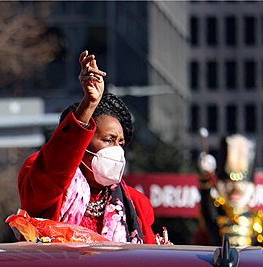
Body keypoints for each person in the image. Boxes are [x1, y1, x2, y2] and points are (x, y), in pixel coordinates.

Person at [18, 50, 158, 244]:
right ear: (81, 143)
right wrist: (89, 104)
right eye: (109, 140)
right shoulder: (45, 182)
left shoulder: (135, 204)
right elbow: (54, 168)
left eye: (121, 143)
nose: (116, 150)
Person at [195, 131, 263, 251]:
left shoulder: (258, 220)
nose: (236, 188)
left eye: (242, 183)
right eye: (229, 183)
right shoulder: (217, 214)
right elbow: (206, 205)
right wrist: (205, 175)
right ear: (220, 184)